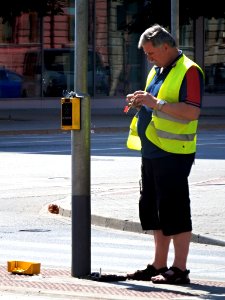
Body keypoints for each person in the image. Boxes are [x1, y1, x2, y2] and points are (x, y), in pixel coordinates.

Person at [125, 24, 204, 284]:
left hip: (174, 152)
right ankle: (159, 265)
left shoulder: (189, 71)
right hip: (152, 151)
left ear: (166, 46)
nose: (148, 58)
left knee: (175, 209)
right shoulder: (158, 69)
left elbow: (191, 112)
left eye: (151, 53)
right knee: (154, 210)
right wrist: (141, 100)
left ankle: (179, 269)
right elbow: (154, 102)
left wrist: (154, 103)